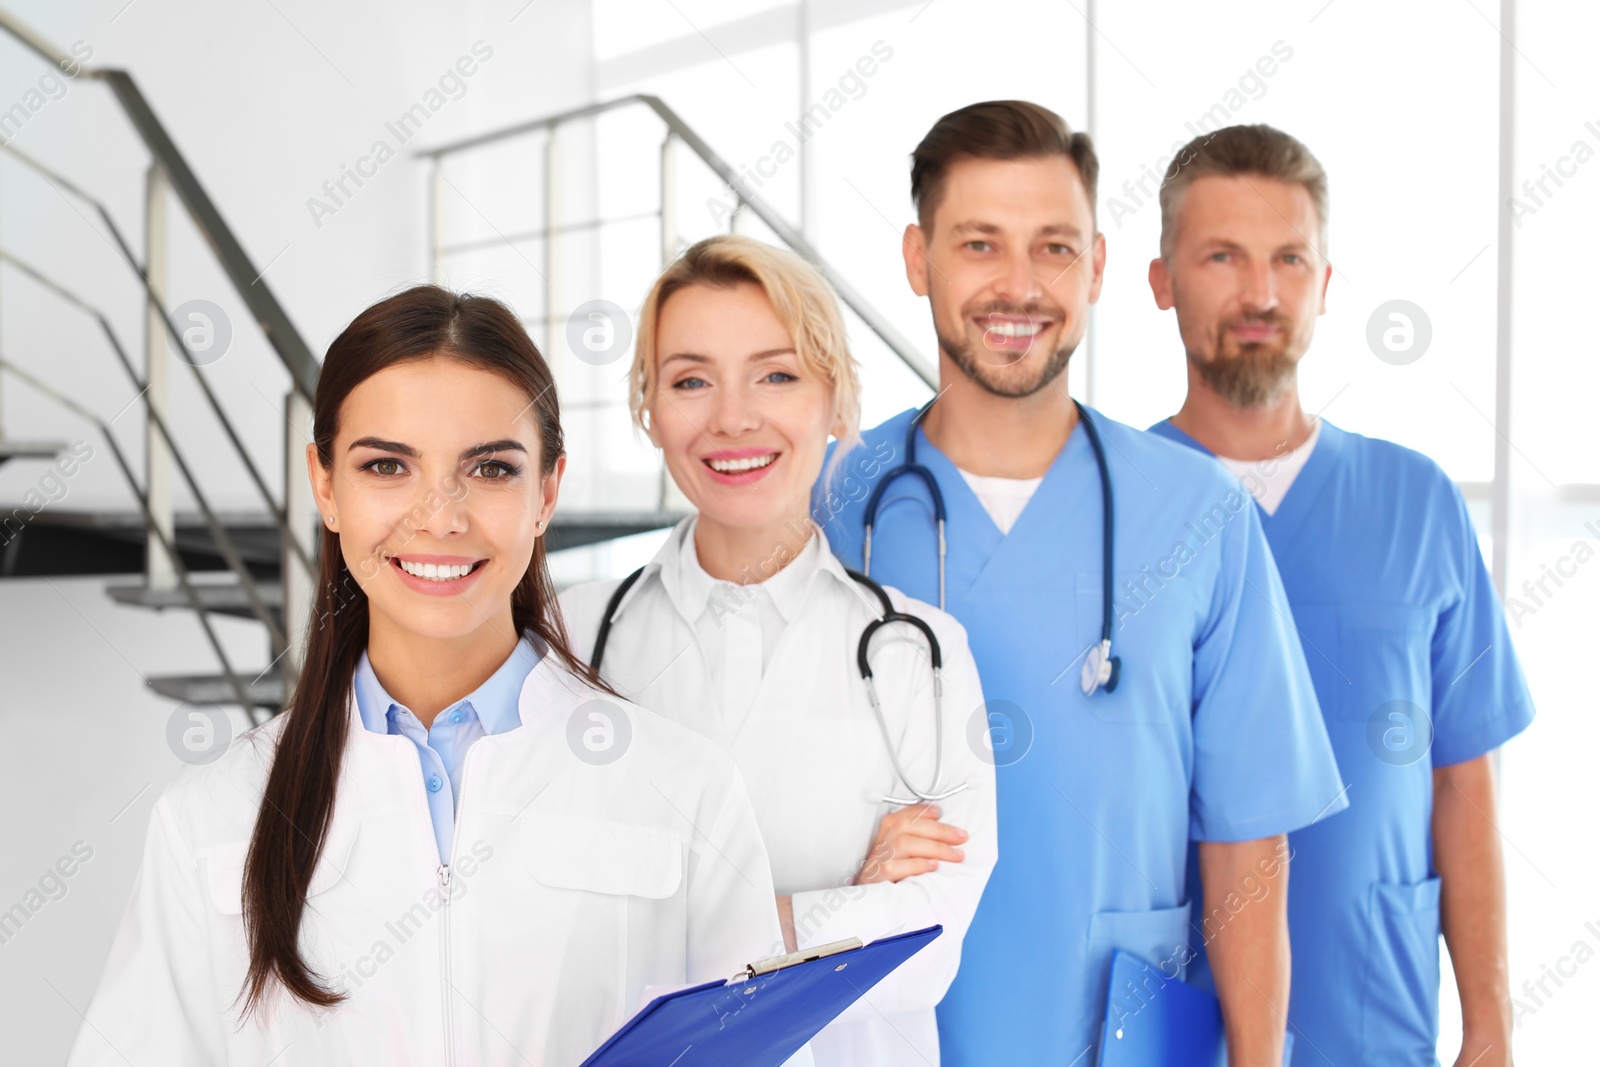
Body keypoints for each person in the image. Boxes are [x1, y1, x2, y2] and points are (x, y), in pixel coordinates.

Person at [68, 286, 803, 1067]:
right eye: (387, 465)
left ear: (547, 491)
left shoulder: (684, 790)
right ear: (325, 486)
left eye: (489, 468)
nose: (440, 516)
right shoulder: (213, 819)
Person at [815, 100, 1346, 1066]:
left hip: (1122, 1035)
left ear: (1098, 265)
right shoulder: (832, 505)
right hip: (887, 1031)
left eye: (1053, 248)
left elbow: (1247, 842)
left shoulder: (1198, 514)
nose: (1020, 285)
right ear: (916, 256)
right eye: (979, 243)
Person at [1145, 124, 1535, 1067]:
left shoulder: (1416, 501)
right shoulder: (1125, 502)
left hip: (1374, 1013)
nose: (1260, 293)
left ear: (1325, 283)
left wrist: (1490, 1027)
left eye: (1289, 259)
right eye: (1223, 257)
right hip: (1171, 1025)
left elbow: (1460, 779)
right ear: (1162, 280)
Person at [560, 235, 997, 1066]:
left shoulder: (921, 656)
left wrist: (682, 926)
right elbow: (551, 919)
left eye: (778, 373)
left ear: (837, 401)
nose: (733, 417)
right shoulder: (573, 639)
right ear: (650, 410)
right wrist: (841, 909)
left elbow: (927, 941)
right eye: (691, 380)